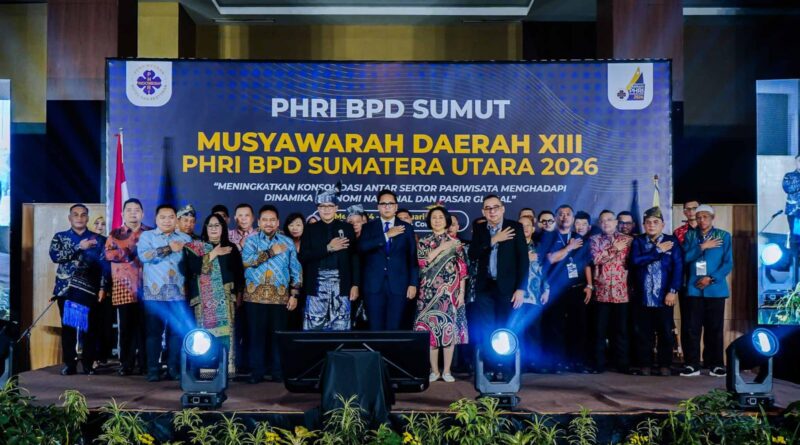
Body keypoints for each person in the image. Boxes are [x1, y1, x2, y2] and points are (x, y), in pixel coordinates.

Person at [242, 205, 302, 383]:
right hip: (254, 297)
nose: (268, 223)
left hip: (280, 298)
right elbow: (246, 261)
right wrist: (271, 252)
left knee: (278, 337)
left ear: (277, 222)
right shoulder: (251, 241)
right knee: (256, 336)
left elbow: (295, 269)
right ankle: (256, 372)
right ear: (259, 222)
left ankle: (277, 371)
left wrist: (294, 294)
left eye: (272, 220)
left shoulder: (287, 242)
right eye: (265, 220)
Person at [49, 204, 108, 375]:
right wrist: (78, 247)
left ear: (88, 218)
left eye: (83, 215)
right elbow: (55, 256)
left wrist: (103, 287)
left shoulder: (99, 239)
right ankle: (70, 364)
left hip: (90, 289)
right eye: (75, 215)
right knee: (68, 328)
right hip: (66, 289)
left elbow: (104, 266)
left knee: (90, 328)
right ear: (70, 218)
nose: (79, 218)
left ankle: (88, 364)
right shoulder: (60, 237)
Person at [138, 204, 193, 382]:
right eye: (163, 217)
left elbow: (192, 264)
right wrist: (169, 248)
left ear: (176, 219)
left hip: (178, 294)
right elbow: (144, 256)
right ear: (156, 219)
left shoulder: (185, 238)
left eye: (171, 217)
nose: (167, 220)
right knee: (153, 333)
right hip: (154, 294)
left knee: (176, 333)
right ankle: (153, 369)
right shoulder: (147, 236)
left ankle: (172, 368)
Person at [468, 195, 528, 360]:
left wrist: (521, 288)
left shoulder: (515, 227)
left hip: (508, 287)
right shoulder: (480, 229)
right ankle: (489, 363)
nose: (492, 211)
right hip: (484, 287)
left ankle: (505, 365)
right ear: (483, 212)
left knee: (505, 325)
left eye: (495, 207)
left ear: (502, 209)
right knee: (486, 327)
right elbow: (473, 254)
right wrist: (494, 239)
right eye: (488, 208)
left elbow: (523, 260)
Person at [184, 213, 244, 374]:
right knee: (204, 335)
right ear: (205, 228)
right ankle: (205, 368)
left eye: (217, 225)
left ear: (223, 228)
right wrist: (213, 253)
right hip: (203, 301)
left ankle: (227, 368)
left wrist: (239, 295)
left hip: (226, 298)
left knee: (226, 333)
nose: (213, 229)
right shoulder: (195, 248)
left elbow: (239, 274)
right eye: (210, 225)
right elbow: (192, 269)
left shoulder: (231, 248)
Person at [415, 206, 468, 382]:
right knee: (430, 332)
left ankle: (447, 371)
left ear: (446, 221)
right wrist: (443, 247)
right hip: (428, 293)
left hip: (450, 292)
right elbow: (423, 262)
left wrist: (461, 293)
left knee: (448, 331)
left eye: (440, 217)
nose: (437, 220)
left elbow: (463, 270)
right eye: (434, 217)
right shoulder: (423, 242)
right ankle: (434, 370)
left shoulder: (456, 243)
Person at [299, 183, 360, 331]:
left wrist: (355, 284)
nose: (326, 209)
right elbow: (303, 257)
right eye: (322, 206)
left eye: (330, 206)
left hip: (342, 283)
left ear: (336, 208)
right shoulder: (310, 229)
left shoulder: (347, 228)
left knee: (340, 325)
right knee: (314, 326)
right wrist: (328, 248)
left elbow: (354, 258)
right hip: (316, 283)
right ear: (318, 208)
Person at [681, 204, 733, 377]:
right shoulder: (690, 235)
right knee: (692, 328)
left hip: (715, 289)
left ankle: (715, 364)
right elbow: (685, 258)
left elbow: (728, 263)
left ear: (712, 217)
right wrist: (702, 247)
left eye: (705, 217)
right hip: (694, 288)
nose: (701, 220)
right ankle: (692, 364)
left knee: (715, 329)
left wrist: (711, 278)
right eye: (698, 217)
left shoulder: (724, 236)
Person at [630, 207, 682, 377]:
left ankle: (665, 364)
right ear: (644, 224)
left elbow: (678, 268)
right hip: (642, 296)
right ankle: (645, 364)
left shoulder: (671, 241)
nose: (651, 225)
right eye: (648, 222)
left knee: (665, 331)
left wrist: (673, 291)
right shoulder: (638, 241)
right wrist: (658, 251)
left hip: (664, 296)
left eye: (655, 222)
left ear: (662, 224)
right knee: (643, 332)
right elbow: (635, 261)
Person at [358, 189, 419, 330]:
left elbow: (412, 258)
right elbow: (361, 248)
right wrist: (386, 236)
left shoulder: (406, 228)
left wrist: (413, 283)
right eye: (383, 204)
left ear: (396, 206)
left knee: (394, 328)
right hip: (374, 286)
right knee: (375, 328)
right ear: (378, 207)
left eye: (390, 203)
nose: (387, 207)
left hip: (398, 285)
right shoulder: (368, 227)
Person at [541, 204, 592, 372]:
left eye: (568, 214)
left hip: (576, 288)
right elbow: (551, 258)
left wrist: (590, 285)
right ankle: (556, 362)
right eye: (561, 214)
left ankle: (577, 362)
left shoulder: (580, 238)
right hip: (555, 289)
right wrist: (569, 248)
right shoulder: (549, 237)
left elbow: (586, 263)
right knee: (556, 326)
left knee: (578, 326)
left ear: (573, 218)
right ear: (556, 218)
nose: (564, 217)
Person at [105, 198, 151, 376]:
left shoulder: (150, 233)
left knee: (145, 328)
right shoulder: (115, 234)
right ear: (123, 214)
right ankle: (126, 364)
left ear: (142, 214)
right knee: (126, 328)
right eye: (129, 210)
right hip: (124, 286)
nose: (133, 213)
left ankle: (145, 364)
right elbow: (109, 255)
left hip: (148, 286)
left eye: (136, 210)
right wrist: (131, 248)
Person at [588, 210, 633, 373]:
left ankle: (622, 364)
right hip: (602, 291)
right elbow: (595, 259)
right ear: (599, 224)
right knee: (599, 330)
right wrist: (614, 249)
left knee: (621, 330)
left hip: (622, 292)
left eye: (609, 220)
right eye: (602, 220)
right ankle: (599, 364)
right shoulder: (594, 240)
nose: (606, 223)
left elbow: (633, 263)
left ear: (615, 222)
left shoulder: (628, 240)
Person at [514, 215, 549, 372]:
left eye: (528, 225)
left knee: (534, 330)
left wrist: (546, 289)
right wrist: (524, 258)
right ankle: (518, 363)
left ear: (533, 228)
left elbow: (545, 270)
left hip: (535, 295)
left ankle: (535, 363)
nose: (525, 228)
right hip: (517, 295)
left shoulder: (540, 247)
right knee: (518, 329)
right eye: (521, 225)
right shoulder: (511, 247)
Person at [228, 202, 256, 373]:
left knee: (253, 328)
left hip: (256, 288)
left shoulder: (260, 236)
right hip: (232, 288)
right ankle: (234, 363)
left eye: (247, 215)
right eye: (240, 215)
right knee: (234, 327)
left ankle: (252, 365)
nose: (243, 219)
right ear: (234, 218)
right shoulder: (228, 236)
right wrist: (239, 246)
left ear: (253, 218)